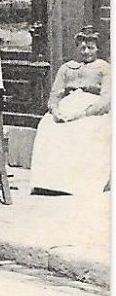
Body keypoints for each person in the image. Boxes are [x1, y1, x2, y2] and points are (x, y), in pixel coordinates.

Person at [31, 27, 111, 196]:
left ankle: (78, 183)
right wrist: (55, 111)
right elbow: (55, 93)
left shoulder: (105, 68)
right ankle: (49, 181)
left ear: (98, 49)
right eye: (82, 48)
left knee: (84, 129)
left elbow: (106, 99)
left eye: (90, 48)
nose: (86, 52)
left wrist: (82, 113)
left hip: (91, 110)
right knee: (47, 126)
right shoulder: (67, 68)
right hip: (66, 107)